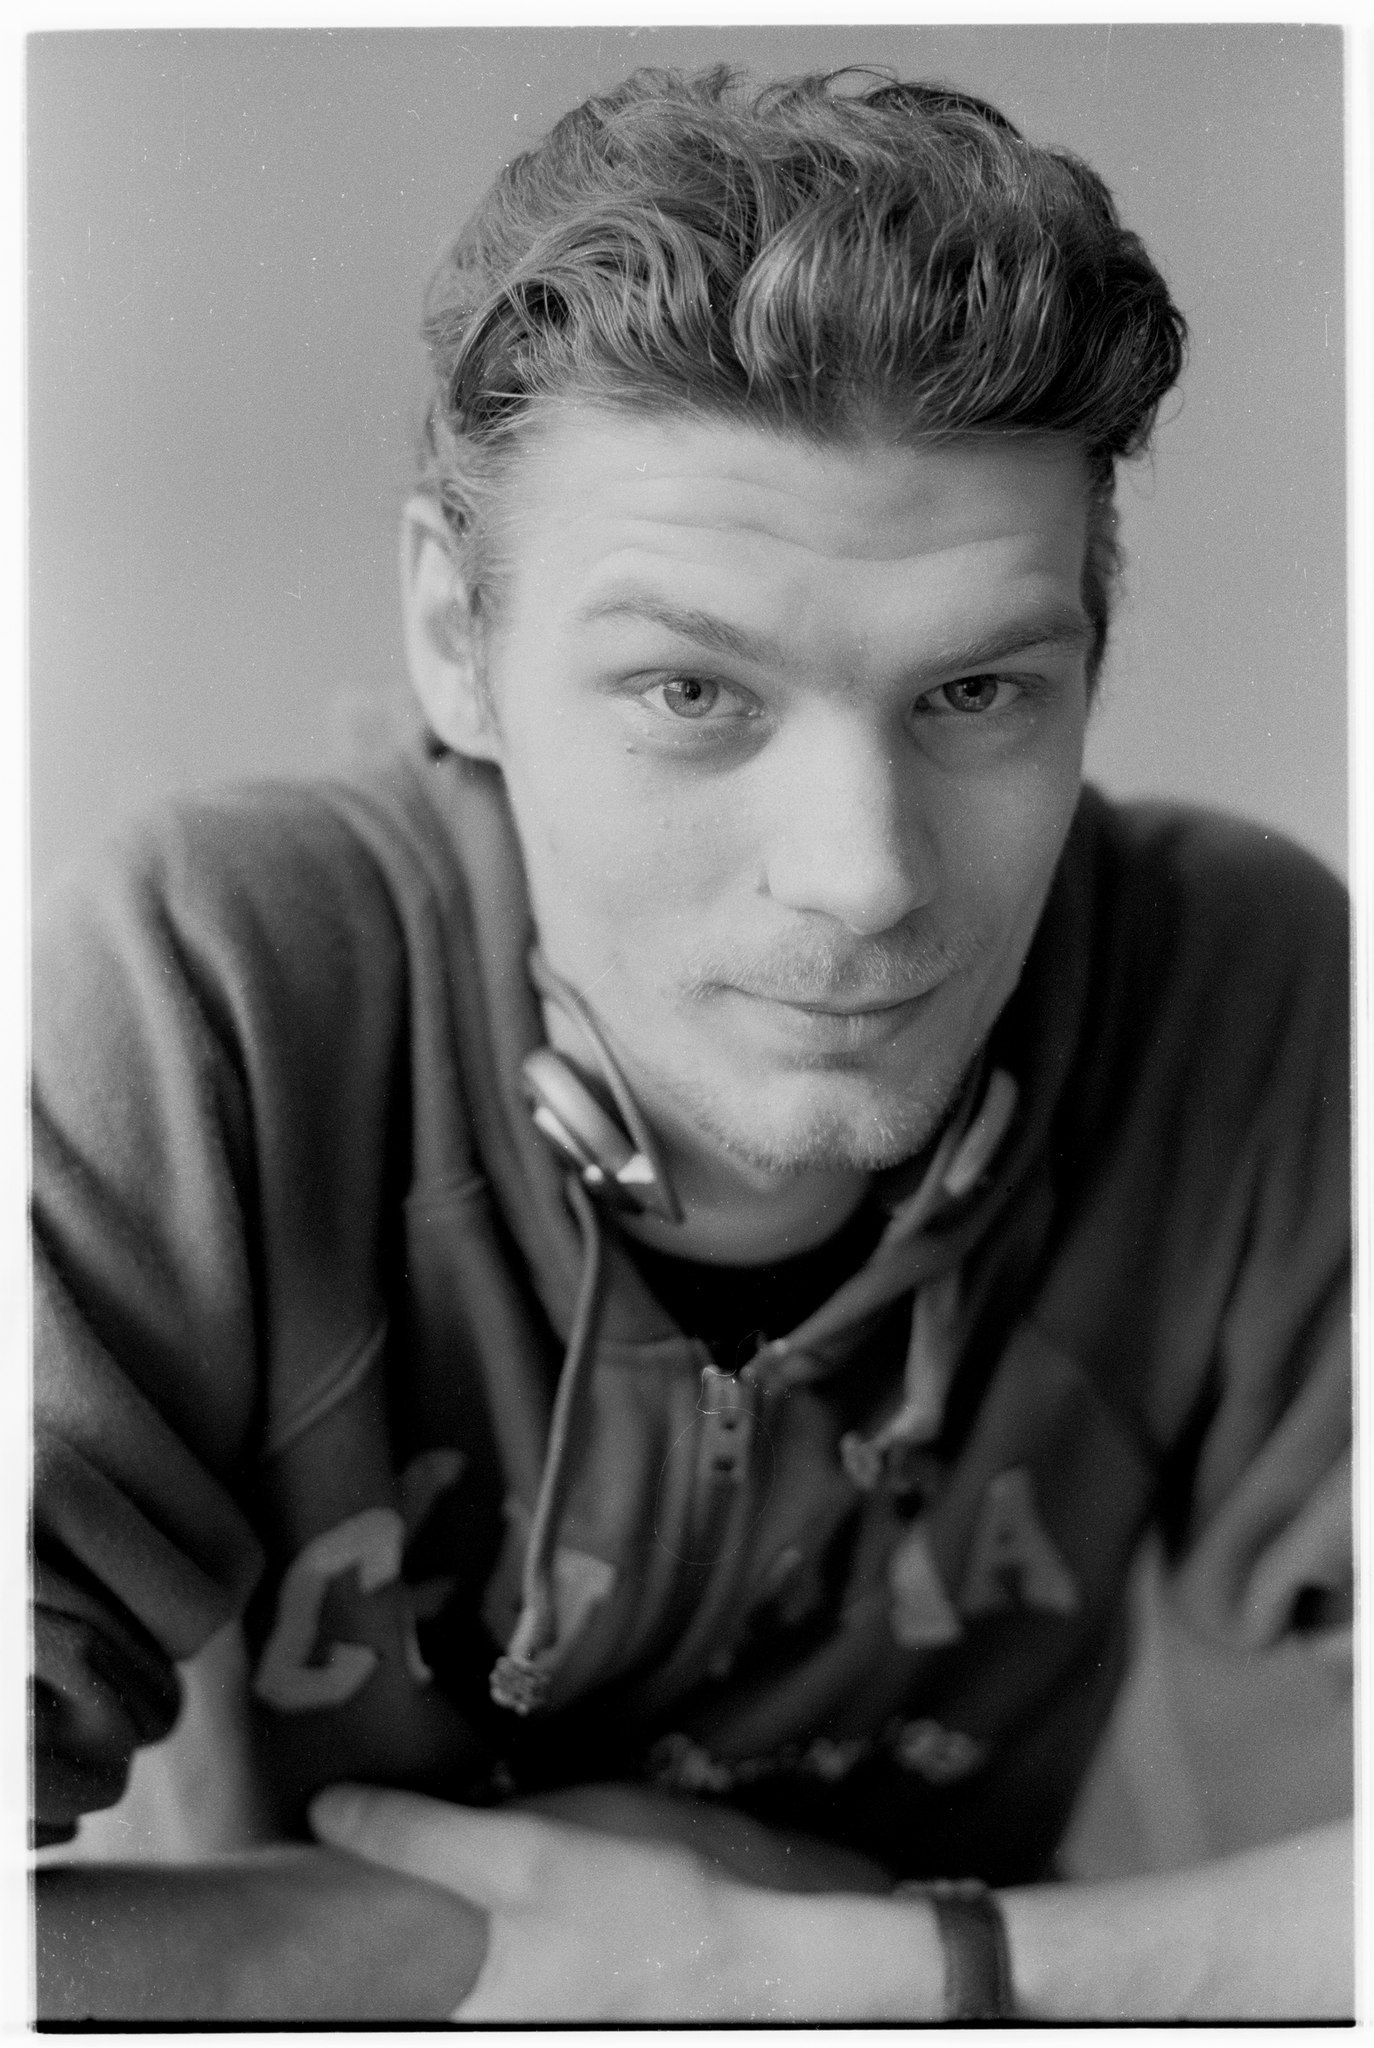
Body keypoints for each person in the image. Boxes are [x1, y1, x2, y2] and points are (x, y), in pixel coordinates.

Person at [31, 66, 1352, 2021]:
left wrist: (860, 1962)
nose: (862, 876)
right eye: (688, 691)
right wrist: (456, 1946)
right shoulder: (211, 991)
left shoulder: (1242, 988)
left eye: (977, 692)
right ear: (454, 642)